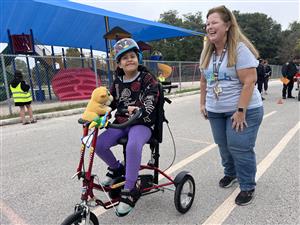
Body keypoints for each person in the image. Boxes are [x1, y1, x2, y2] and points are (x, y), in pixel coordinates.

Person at [200, 5, 263, 206]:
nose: (209, 26)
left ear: (227, 25)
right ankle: (231, 173)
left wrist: (240, 111)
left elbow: (249, 81)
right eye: (207, 23)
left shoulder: (240, 50)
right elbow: (204, 81)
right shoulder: (208, 52)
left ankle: (247, 185)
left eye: (214, 22)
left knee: (240, 147)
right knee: (224, 146)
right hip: (216, 111)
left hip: (244, 109)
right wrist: (203, 103)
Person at [95, 38, 159, 216]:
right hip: (122, 122)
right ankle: (117, 168)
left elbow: (151, 100)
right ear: (119, 63)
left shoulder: (147, 78)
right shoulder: (117, 81)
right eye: (125, 58)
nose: (129, 59)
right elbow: (111, 102)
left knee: (132, 145)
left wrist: (141, 109)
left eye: (132, 56)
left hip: (142, 123)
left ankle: (130, 189)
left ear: (138, 58)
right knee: (98, 144)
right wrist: (97, 112)